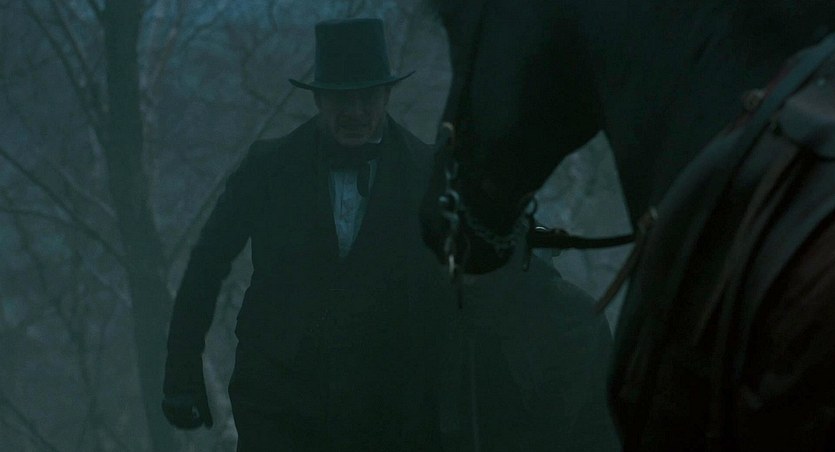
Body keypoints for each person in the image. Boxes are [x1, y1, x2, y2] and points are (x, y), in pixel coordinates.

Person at [161, 18, 448, 451]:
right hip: (278, 402)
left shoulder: (426, 175)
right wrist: (181, 371)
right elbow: (207, 262)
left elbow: (461, 284)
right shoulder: (268, 167)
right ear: (318, 99)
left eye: (367, 97)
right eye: (340, 98)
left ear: (387, 95)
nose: (354, 112)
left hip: (389, 410)